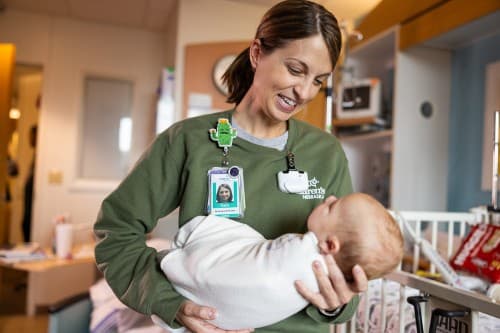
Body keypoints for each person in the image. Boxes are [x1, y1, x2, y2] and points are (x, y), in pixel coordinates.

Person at [94, 1, 368, 333]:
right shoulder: (189, 141)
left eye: (318, 81)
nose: (304, 92)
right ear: (257, 54)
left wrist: (338, 302)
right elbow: (116, 232)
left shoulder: (326, 153)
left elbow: (348, 270)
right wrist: (170, 304)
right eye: (296, 70)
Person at [156, 193, 403, 331]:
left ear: (329, 246)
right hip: (223, 319)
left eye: (332, 206)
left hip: (207, 290)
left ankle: (178, 263)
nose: (329, 197)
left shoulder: (300, 250)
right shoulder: (318, 276)